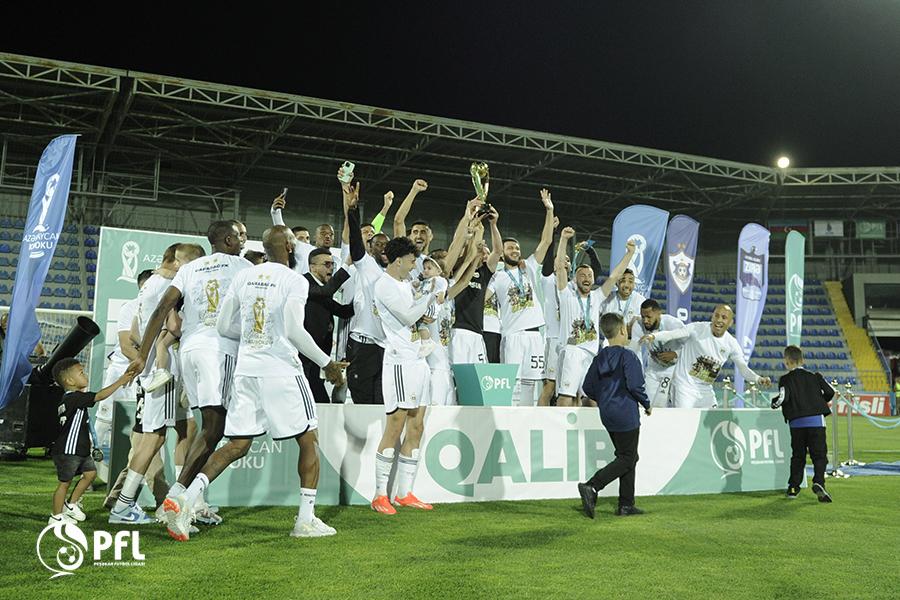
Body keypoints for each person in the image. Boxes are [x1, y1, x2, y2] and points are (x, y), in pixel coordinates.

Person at [163, 225, 348, 541]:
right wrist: (326, 363)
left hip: (246, 371)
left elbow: (224, 325)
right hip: (281, 370)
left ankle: (184, 498)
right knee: (309, 440)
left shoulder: (245, 276)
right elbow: (294, 331)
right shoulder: (293, 279)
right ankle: (305, 520)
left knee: (236, 445)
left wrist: (253, 337)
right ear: (289, 246)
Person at [128, 223, 250, 527]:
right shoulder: (242, 267)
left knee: (207, 428)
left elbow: (162, 308)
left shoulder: (190, 269)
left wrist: (143, 354)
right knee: (214, 430)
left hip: (190, 351)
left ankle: (190, 500)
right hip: (219, 349)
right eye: (239, 237)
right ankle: (176, 500)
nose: (242, 242)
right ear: (228, 239)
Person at [109, 243, 194, 525]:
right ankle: (123, 506)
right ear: (177, 261)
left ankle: (144, 504)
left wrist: (146, 351)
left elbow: (136, 331)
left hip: (152, 371)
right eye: (191, 264)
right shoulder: (166, 285)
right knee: (153, 437)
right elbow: (174, 326)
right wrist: (164, 342)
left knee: (161, 435)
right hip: (162, 371)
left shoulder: (149, 286)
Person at [371, 237, 439, 514]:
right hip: (399, 361)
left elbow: (422, 317)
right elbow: (408, 317)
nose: (414, 267)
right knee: (396, 425)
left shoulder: (405, 283)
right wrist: (429, 296)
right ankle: (379, 495)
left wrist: (427, 303)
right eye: (411, 261)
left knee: (417, 425)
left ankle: (404, 493)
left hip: (418, 359)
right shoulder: (384, 285)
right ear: (398, 260)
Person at [578, 313, 651, 519]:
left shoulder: (599, 358)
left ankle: (626, 504)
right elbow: (635, 385)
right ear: (622, 330)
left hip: (607, 414)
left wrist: (604, 399)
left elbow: (587, 387)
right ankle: (592, 486)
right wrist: (646, 404)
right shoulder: (628, 356)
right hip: (626, 412)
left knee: (627, 456)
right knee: (628, 457)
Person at [49, 358, 135, 526]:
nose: (85, 375)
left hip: (78, 449)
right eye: (81, 373)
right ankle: (56, 516)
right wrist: (121, 381)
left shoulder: (71, 399)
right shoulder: (75, 398)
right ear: (70, 381)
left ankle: (71, 504)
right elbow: (100, 396)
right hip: (69, 450)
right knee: (64, 483)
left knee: (90, 474)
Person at [555, 229, 636, 407]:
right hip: (573, 351)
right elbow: (560, 267)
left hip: (592, 355)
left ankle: (589, 426)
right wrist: (563, 239)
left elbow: (614, 276)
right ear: (574, 278)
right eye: (582, 275)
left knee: (592, 400)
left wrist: (629, 254)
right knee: (566, 396)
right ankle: (558, 425)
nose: (586, 278)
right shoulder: (566, 294)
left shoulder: (597, 296)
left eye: (589, 276)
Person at [491, 188, 555, 405]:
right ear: (502, 252)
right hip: (513, 335)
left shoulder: (529, 267)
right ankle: (510, 420)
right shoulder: (497, 275)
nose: (515, 250)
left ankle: (527, 420)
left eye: (517, 248)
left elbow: (546, 241)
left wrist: (549, 210)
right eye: (510, 248)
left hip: (535, 335)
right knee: (513, 384)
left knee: (530, 384)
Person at [639, 304, 771, 408]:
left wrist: (758, 379)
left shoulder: (731, 343)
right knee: (684, 422)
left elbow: (743, 368)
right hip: (684, 387)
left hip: (705, 390)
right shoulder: (697, 328)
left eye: (724, 318)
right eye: (716, 316)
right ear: (712, 317)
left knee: (712, 422)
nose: (719, 320)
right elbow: (673, 334)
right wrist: (653, 336)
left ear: (730, 322)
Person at [96, 269, 152, 490]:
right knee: (104, 420)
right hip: (123, 370)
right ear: (143, 287)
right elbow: (126, 345)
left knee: (141, 424)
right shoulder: (130, 308)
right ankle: (88, 467)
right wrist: (148, 363)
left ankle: (133, 475)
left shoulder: (162, 308)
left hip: (145, 372)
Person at [772, 345, 834, 502]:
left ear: (787, 360)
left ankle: (793, 488)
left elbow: (783, 398)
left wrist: (773, 404)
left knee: (798, 456)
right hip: (816, 421)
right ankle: (819, 482)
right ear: (802, 360)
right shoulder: (815, 376)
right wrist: (819, 402)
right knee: (819, 456)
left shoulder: (785, 379)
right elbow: (830, 392)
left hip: (797, 423)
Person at [450, 203, 502, 366]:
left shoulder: (485, 273)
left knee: (479, 377)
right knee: (456, 375)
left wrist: (493, 225)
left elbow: (498, 251)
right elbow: (459, 244)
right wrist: (471, 223)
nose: (484, 254)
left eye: (486, 253)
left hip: (477, 333)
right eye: (482, 251)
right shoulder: (460, 266)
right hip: (458, 330)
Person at [628, 299, 685, 407]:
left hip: (672, 370)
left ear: (659, 314)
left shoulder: (673, 324)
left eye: (649, 317)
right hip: (653, 370)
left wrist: (676, 354)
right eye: (643, 316)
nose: (645, 321)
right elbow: (634, 351)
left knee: (662, 404)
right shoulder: (639, 325)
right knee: (646, 405)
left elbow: (689, 346)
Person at [604, 269, 645, 336]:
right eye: (623, 281)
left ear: (634, 284)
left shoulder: (640, 300)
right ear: (617, 283)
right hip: (611, 339)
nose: (626, 285)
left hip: (632, 340)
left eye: (630, 281)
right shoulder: (607, 299)